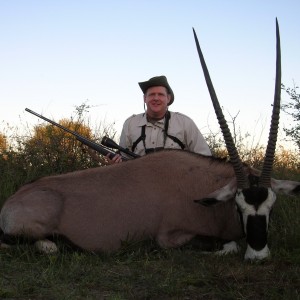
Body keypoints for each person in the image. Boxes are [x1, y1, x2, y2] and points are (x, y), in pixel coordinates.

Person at [109, 75, 211, 163]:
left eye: (161, 94)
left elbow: (206, 159)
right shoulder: (130, 124)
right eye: (152, 94)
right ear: (145, 98)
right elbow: (124, 159)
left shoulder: (185, 123)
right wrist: (116, 162)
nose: (156, 98)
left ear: (168, 98)